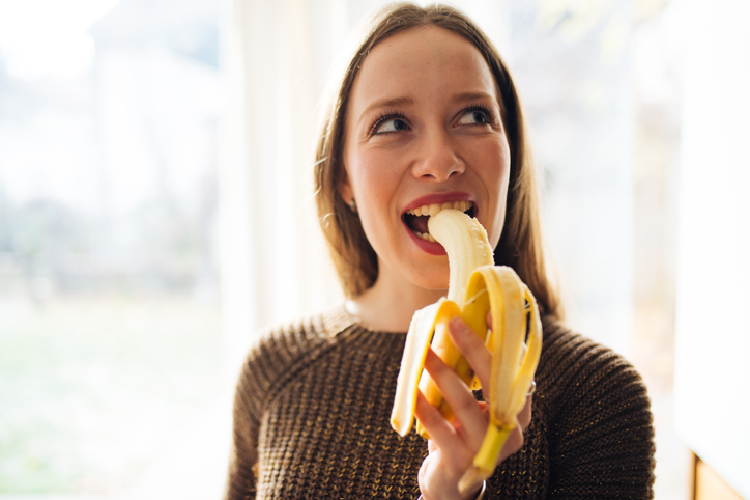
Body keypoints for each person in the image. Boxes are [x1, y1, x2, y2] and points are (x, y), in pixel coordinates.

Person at [225, 3, 656, 499]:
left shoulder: (596, 396)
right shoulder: (273, 370)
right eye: (391, 124)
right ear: (343, 175)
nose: (439, 161)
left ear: (510, 155)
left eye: (474, 116)